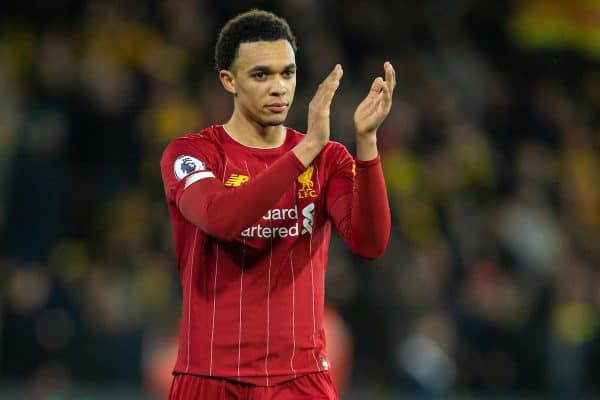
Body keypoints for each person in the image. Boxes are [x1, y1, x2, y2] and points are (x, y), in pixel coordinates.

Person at [160, 9, 394, 400]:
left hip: (301, 380)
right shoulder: (192, 155)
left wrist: (367, 143)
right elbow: (221, 218)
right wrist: (303, 152)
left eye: (287, 73)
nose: (279, 87)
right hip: (211, 378)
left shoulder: (327, 158)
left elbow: (370, 243)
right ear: (228, 80)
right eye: (261, 75)